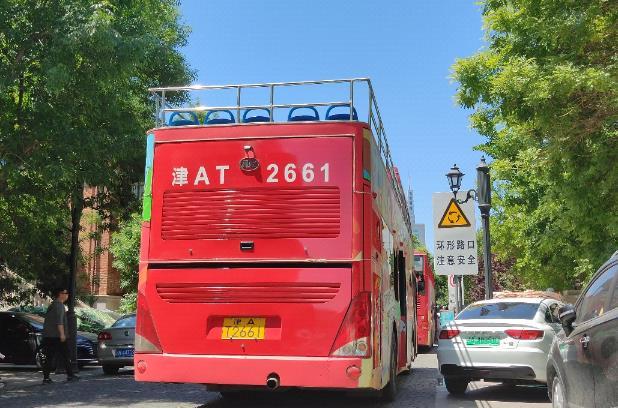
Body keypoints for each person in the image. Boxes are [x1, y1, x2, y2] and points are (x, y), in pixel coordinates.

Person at [41, 287, 78, 383]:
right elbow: (59, 322)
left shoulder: (53, 305)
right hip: (56, 336)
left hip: (49, 336)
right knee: (66, 355)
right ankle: (70, 375)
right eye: (65, 293)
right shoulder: (59, 306)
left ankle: (46, 378)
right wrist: (62, 334)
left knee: (49, 357)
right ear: (60, 294)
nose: (67, 295)